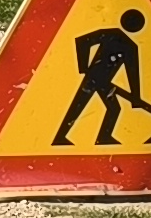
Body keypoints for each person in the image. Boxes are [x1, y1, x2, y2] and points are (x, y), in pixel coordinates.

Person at [54, 8, 145, 147]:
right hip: (93, 78)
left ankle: (103, 137)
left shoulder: (129, 46)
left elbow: (133, 73)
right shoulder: (112, 35)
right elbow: (82, 42)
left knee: (111, 108)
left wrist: (136, 98)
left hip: (104, 82)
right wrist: (83, 68)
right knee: (79, 106)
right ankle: (61, 138)